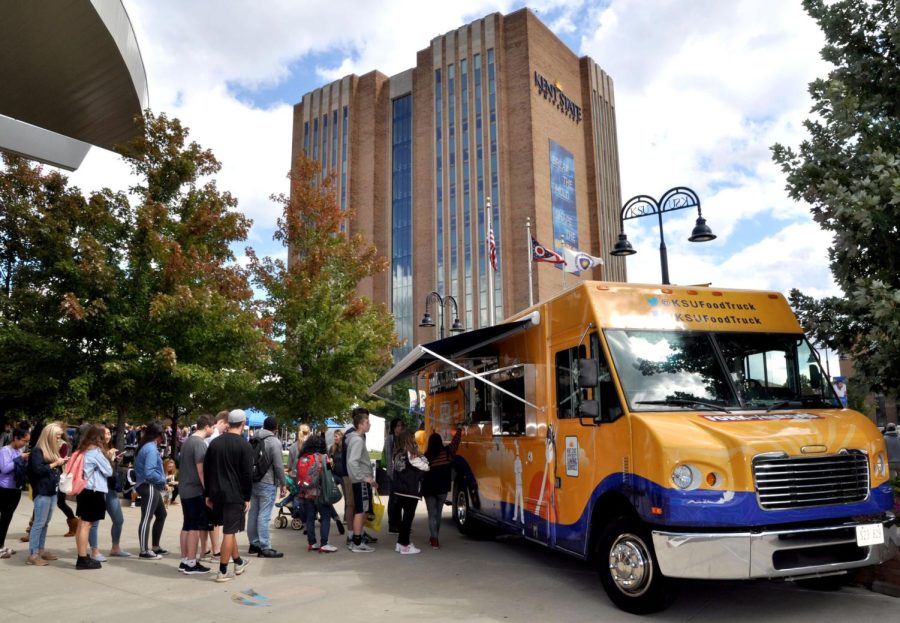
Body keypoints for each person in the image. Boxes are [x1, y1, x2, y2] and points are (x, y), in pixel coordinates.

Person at [204, 409, 254, 583]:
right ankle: (223, 570)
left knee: (229, 530)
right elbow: (248, 475)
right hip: (234, 494)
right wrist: (247, 497)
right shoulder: (244, 445)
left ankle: (238, 561)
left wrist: (208, 494)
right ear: (243, 423)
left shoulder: (215, 443)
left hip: (217, 493)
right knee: (229, 531)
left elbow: (207, 470)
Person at [176, 414, 214, 575]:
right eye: (212, 427)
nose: (213, 430)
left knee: (187, 525)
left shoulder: (187, 442)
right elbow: (201, 470)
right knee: (195, 527)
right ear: (207, 427)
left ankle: (185, 560)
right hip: (195, 490)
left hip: (184, 488)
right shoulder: (199, 444)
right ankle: (191, 562)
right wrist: (208, 491)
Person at [26, 422, 68, 566]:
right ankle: (33, 554)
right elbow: (37, 470)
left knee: (45, 523)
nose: (59, 439)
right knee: (39, 523)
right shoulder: (37, 451)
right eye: (57, 436)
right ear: (49, 436)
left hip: (51, 491)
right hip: (42, 492)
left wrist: (59, 463)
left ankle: (41, 550)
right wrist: (55, 464)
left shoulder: (50, 451)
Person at [73, 424, 113, 570]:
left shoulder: (82, 450)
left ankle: (82, 555)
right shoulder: (95, 452)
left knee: (82, 523)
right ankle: (82, 559)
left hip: (83, 489)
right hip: (93, 490)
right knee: (86, 524)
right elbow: (109, 471)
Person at [247, 415, 286, 558]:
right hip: (268, 481)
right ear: (276, 428)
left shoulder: (254, 438)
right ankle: (265, 547)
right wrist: (283, 482)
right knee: (264, 515)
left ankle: (254, 544)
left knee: (253, 514)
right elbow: (278, 465)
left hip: (253, 480)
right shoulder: (274, 442)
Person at [88, 425, 129, 559]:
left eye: (109, 433)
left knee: (118, 519)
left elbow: (110, 471)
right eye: (106, 434)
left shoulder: (106, 449)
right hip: (98, 489)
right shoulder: (95, 450)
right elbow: (103, 470)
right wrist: (110, 459)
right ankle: (94, 551)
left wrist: (115, 460)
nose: (109, 436)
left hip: (110, 488)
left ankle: (115, 547)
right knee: (94, 522)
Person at [296, 434, 338, 553]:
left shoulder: (303, 457)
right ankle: (324, 544)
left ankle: (312, 543)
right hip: (320, 493)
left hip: (306, 493)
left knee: (310, 518)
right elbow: (329, 474)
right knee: (325, 517)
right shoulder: (323, 457)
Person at [391, 430, 429, 554]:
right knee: (408, 519)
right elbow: (426, 466)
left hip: (398, 490)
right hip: (410, 490)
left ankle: (400, 543)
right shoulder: (412, 455)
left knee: (403, 519)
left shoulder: (396, 454)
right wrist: (421, 456)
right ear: (409, 440)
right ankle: (405, 545)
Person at [422, 427, 462, 549]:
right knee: (438, 514)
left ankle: (434, 539)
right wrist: (459, 430)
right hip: (442, 489)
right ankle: (435, 537)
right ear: (440, 442)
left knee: (432, 515)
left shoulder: (426, 457)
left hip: (429, 489)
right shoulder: (448, 452)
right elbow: (456, 442)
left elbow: (421, 473)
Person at [134, 422, 168, 560]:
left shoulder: (146, 446)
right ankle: (144, 550)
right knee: (147, 518)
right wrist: (162, 480)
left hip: (149, 485)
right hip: (148, 485)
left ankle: (155, 546)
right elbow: (150, 472)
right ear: (158, 435)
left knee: (161, 514)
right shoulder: (151, 449)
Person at [346, 407, 377, 553]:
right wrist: (365, 478)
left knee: (361, 510)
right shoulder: (357, 440)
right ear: (360, 425)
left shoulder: (354, 439)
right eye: (367, 422)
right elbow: (353, 462)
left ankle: (356, 540)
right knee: (361, 511)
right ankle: (357, 542)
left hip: (359, 480)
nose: (369, 425)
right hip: (361, 481)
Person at [200, 410, 229, 560]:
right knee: (214, 519)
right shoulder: (215, 437)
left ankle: (205, 549)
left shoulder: (210, 437)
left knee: (205, 518)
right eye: (227, 426)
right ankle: (216, 550)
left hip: (204, 481)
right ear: (222, 422)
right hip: (211, 482)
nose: (227, 430)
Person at [0, 426, 30, 558]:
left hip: (15, 489)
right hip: (4, 489)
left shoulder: (20, 451)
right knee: (2, 519)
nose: (25, 444)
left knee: (7, 519)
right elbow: (5, 469)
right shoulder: (4, 451)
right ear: (15, 438)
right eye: (23, 441)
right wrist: (20, 459)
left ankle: (1, 546)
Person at [384, 418, 406, 534]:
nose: (400, 428)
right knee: (393, 499)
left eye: (401, 425)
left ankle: (400, 523)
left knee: (401, 499)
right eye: (398, 426)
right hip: (393, 474)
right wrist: (391, 474)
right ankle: (392, 525)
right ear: (393, 427)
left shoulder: (403, 439)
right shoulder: (390, 439)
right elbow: (388, 458)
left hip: (402, 474)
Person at [57, 428, 78, 538]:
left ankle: (73, 523)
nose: (57, 436)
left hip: (60, 477)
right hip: (49, 477)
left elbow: (62, 460)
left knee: (60, 502)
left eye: (59, 434)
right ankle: (32, 529)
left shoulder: (63, 444)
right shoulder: (46, 443)